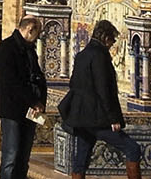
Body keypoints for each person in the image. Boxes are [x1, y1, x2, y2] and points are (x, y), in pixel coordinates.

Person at [61, 19, 143, 179]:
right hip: (98, 119)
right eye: (112, 41)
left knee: (81, 159)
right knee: (132, 149)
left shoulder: (82, 55)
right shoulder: (100, 56)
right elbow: (103, 90)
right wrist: (113, 118)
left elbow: (73, 83)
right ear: (105, 38)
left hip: (81, 118)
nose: (112, 45)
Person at [0, 14, 47, 179]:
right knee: (11, 156)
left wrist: (40, 102)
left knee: (23, 158)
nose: (36, 38)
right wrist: (33, 101)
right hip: (13, 110)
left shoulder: (29, 49)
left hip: (29, 111)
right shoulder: (7, 48)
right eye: (36, 33)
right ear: (30, 29)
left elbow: (37, 76)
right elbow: (11, 82)